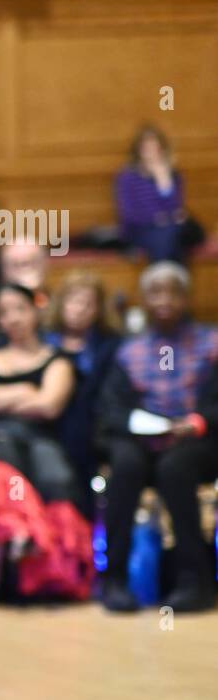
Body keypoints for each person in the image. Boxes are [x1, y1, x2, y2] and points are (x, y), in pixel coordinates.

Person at [0, 283, 93, 606]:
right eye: (3, 312)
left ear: (36, 311)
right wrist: (24, 393)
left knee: (33, 473)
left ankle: (1, 569)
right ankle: (17, 537)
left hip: (38, 443)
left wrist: (1, 398)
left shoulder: (58, 359)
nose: (11, 318)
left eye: (18, 309)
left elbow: (49, 406)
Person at [98, 262, 218, 613]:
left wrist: (196, 422)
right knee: (125, 465)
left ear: (186, 298)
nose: (164, 300)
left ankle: (194, 581)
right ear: (145, 300)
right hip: (141, 438)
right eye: (156, 292)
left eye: (172, 292)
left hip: (198, 438)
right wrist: (141, 426)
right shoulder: (128, 351)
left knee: (175, 468)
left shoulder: (211, 343)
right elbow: (111, 410)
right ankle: (114, 580)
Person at [44, 273, 121, 513]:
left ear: (98, 310)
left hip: (93, 427)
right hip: (48, 423)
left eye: (88, 304)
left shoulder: (109, 346)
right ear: (61, 303)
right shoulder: (44, 341)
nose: (79, 309)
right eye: (74, 301)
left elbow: (109, 396)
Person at [115, 124, 197, 264]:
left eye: (155, 148)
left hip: (169, 228)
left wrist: (163, 180)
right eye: (146, 148)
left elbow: (176, 210)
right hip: (139, 229)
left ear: (162, 150)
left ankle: (170, 280)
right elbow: (128, 214)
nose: (151, 152)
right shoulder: (127, 177)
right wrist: (157, 219)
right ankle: (171, 280)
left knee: (174, 234)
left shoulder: (173, 175)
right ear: (138, 151)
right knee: (169, 237)